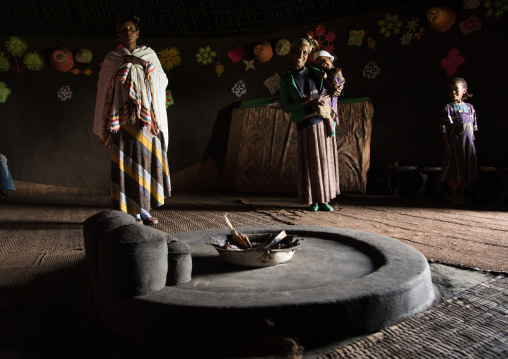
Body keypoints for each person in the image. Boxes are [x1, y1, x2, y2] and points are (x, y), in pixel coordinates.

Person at [93, 17, 171, 224]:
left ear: (137, 33)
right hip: (122, 120)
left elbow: (161, 81)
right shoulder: (113, 58)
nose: (128, 32)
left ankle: (144, 211)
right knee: (126, 163)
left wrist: (142, 66)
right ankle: (131, 213)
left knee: (144, 162)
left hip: (145, 121)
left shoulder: (149, 55)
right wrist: (125, 68)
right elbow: (104, 86)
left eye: (131, 29)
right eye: (123, 30)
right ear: (118, 35)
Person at [279, 36, 342, 211]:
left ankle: (325, 200)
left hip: (323, 120)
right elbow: (286, 106)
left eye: (305, 52)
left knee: (325, 161)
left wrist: (332, 117)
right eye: (298, 51)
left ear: (308, 56)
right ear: (291, 53)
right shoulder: (286, 78)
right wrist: (308, 99)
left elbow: (333, 89)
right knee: (310, 163)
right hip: (305, 122)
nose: (301, 55)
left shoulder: (315, 71)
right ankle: (313, 200)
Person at [440, 77, 477, 204]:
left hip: (468, 146)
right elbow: (444, 130)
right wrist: (447, 147)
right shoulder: (448, 109)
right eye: (450, 90)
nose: (453, 92)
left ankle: (463, 194)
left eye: (456, 89)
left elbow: (473, 129)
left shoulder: (471, 108)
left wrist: (471, 145)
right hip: (455, 145)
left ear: (464, 91)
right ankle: (455, 195)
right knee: (455, 170)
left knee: (466, 169)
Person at [312, 50, 345, 137]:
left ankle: (330, 121)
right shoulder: (327, 73)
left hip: (329, 100)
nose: (322, 64)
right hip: (325, 98)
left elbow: (335, 89)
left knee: (321, 107)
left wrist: (326, 78)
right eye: (319, 65)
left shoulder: (336, 72)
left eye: (323, 60)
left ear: (330, 58)